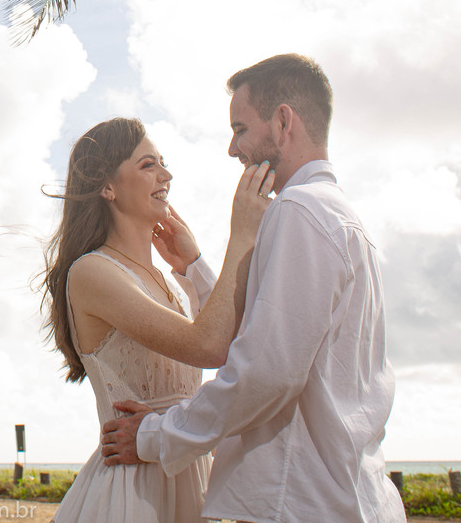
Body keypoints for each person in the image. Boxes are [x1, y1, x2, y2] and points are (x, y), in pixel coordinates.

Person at [101, 54, 405, 523]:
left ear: (283, 121)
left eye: (240, 128)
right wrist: (196, 267)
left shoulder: (298, 211)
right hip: (341, 495)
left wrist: (153, 437)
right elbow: (265, 332)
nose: (232, 148)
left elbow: (266, 373)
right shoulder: (337, 216)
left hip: (300, 502)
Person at [42, 116, 274, 523]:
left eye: (162, 163)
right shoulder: (93, 272)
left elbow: (234, 343)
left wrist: (194, 264)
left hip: (186, 476)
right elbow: (207, 345)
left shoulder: (166, 282)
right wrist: (242, 235)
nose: (166, 175)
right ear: (107, 186)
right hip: (133, 494)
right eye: (148, 165)